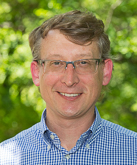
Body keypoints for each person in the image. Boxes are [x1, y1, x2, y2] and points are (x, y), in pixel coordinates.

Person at [0, 10, 136, 165]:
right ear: (36, 72)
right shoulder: (6, 158)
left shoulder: (133, 152)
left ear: (105, 71)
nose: (70, 80)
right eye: (56, 63)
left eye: (84, 63)